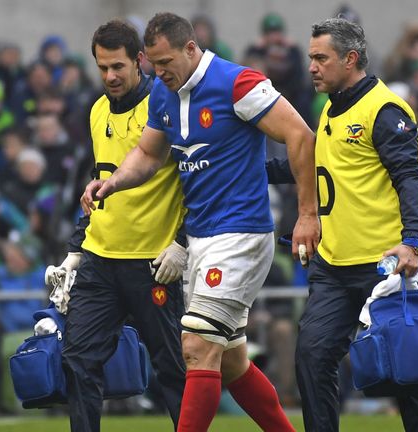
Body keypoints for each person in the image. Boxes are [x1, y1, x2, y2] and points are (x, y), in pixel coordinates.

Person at [83, 12, 319, 432]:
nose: (159, 73)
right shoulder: (164, 94)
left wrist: (306, 215)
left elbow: (300, 135)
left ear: (191, 49)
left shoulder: (238, 83)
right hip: (201, 238)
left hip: (241, 234)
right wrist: (113, 182)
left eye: (166, 63)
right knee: (230, 362)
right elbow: (150, 154)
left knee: (194, 347)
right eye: (153, 65)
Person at [299, 18, 418, 431]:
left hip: (387, 264)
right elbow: (317, 168)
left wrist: (412, 242)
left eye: (321, 58)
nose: (312, 67)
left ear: (350, 59)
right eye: (310, 58)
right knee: (311, 355)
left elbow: (411, 178)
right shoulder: (330, 111)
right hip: (335, 264)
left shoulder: (384, 108)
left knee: (408, 370)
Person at [54, 20, 187, 432]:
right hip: (100, 261)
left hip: (152, 264)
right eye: (103, 68)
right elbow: (100, 182)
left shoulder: (164, 106)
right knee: (78, 360)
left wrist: (182, 243)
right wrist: (76, 248)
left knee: (173, 370)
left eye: (118, 67)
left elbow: (196, 179)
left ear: (140, 61)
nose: (110, 76)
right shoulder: (96, 111)